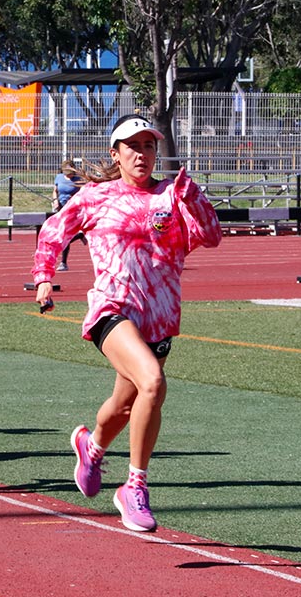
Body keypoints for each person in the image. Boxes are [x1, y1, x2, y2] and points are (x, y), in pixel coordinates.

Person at [32, 114, 221, 531]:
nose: (142, 153)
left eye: (148, 145)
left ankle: (91, 446)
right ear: (115, 154)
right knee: (152, 381)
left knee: (126, 405)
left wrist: (193, 198)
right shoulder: (98, 196)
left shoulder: (172, 197)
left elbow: (211, 235)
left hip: (159, 319)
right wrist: (45, 277)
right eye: (132, 146)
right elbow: (53, 232)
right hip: (111, 310)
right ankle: (133, 487)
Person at [51, 159, 85, 271]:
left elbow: (83, 193)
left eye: (70, 173)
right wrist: (55, 200)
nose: (68, 175)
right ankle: (79, 235)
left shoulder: (78, 179)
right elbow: (55, 190)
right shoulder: (59, 177)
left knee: (64, 235)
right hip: (60, 208)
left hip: (72, 209)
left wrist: (75, 198)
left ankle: (63, 262)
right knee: (61, 234)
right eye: (66, 173)